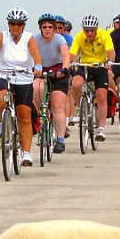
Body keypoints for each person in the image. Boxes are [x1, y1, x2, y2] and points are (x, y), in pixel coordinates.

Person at [0, 7, 42, 166]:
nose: (15, 27)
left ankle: (26, 153)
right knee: (2, 100)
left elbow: (36, 55)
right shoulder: (2, 36)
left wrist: (38, 66)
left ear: (24, 25)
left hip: (24, 78)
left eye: (19, 24)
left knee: (25, 115)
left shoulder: (28, 38)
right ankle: (0, 123)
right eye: (13, 23)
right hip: (4, 76)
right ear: (8, 24)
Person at [68, 14, 115, 142]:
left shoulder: (104, 35)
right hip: (85, 65)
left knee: (101, 96)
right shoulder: (79, 36)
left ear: (96, 28)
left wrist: (109, 62)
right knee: (76, 84)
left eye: (92, 30)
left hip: (100, 66)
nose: (89, 33)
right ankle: (81, 107)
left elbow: (110, 51)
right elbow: (72, 53)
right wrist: (70, 62)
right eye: (86, 30)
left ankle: (101, 128)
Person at [32, 13, 70, 153]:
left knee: (58, 107)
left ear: (54, 28)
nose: (47, 29)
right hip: (41, 71)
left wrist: (64, 69)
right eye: (44, 27)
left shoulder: (59, 39)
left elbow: (66, 56)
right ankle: (38, 116)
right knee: (36, 88)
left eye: (50, 27)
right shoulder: (35, 39)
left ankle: (60, 140)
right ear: (40, 28)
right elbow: (29, 56)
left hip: (58, 72)